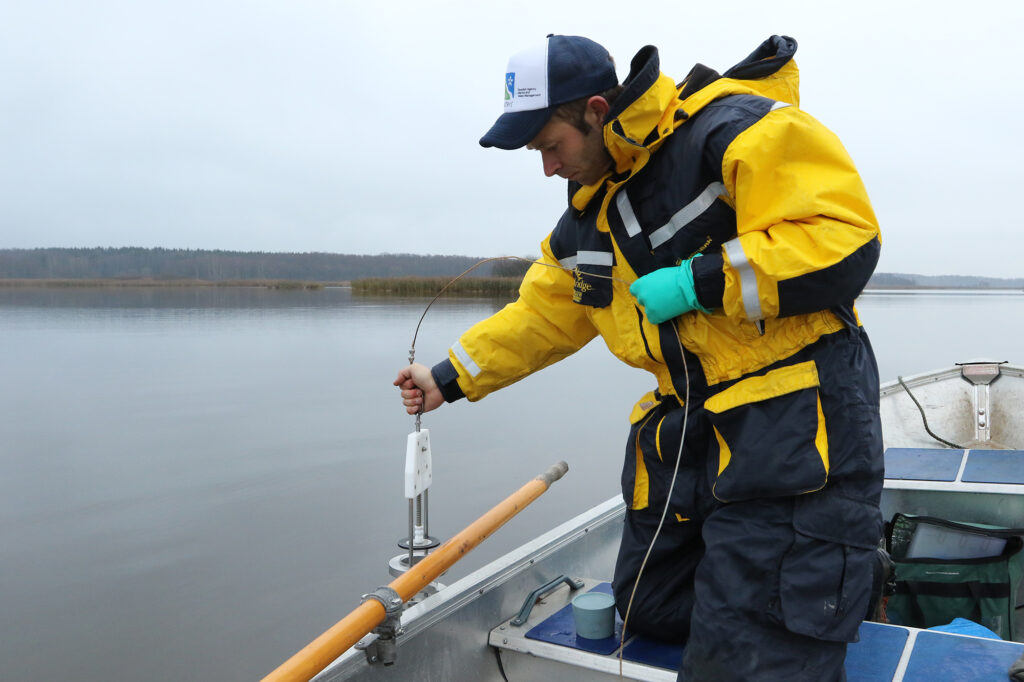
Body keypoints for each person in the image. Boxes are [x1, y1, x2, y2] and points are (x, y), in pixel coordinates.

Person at [394, 34, 883, 681]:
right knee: (648, 608)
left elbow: (842, 242)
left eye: (550, 147)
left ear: (595, 110)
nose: (546, 169)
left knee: (751, 648)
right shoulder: (585, 220)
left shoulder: (731, 132)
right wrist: (445, 379)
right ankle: (802, 584)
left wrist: (702, 281)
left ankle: (822, 579)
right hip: (692, 432)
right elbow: (543, 315)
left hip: (793, 421)